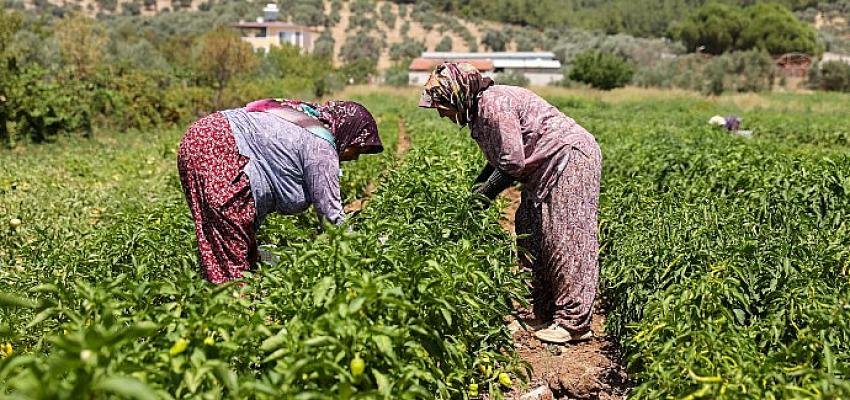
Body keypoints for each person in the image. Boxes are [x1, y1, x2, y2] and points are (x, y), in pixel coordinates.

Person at [418, 63, 602, 344]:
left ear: (457, 96)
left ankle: (574, 323)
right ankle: (542, 313)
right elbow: (499, 159)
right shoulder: (478, 111)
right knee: (529, 229)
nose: (441, 112)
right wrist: (476, 193)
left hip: (569, 159)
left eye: (442, 104)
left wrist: (484, 194)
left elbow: (512, 163)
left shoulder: (494, 104)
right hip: (541, 168)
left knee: (566, 237)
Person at [177, 98, 383, 284]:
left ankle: (220, 298)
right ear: (349, 131)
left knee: (221, 235)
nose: (355, 157)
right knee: (232, 249)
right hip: (222, 145)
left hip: (200, 136)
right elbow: (331, 215)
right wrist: (359, 254)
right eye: (357, 148)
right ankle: (234, 312)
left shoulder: (304, 117)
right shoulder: (321, 146)